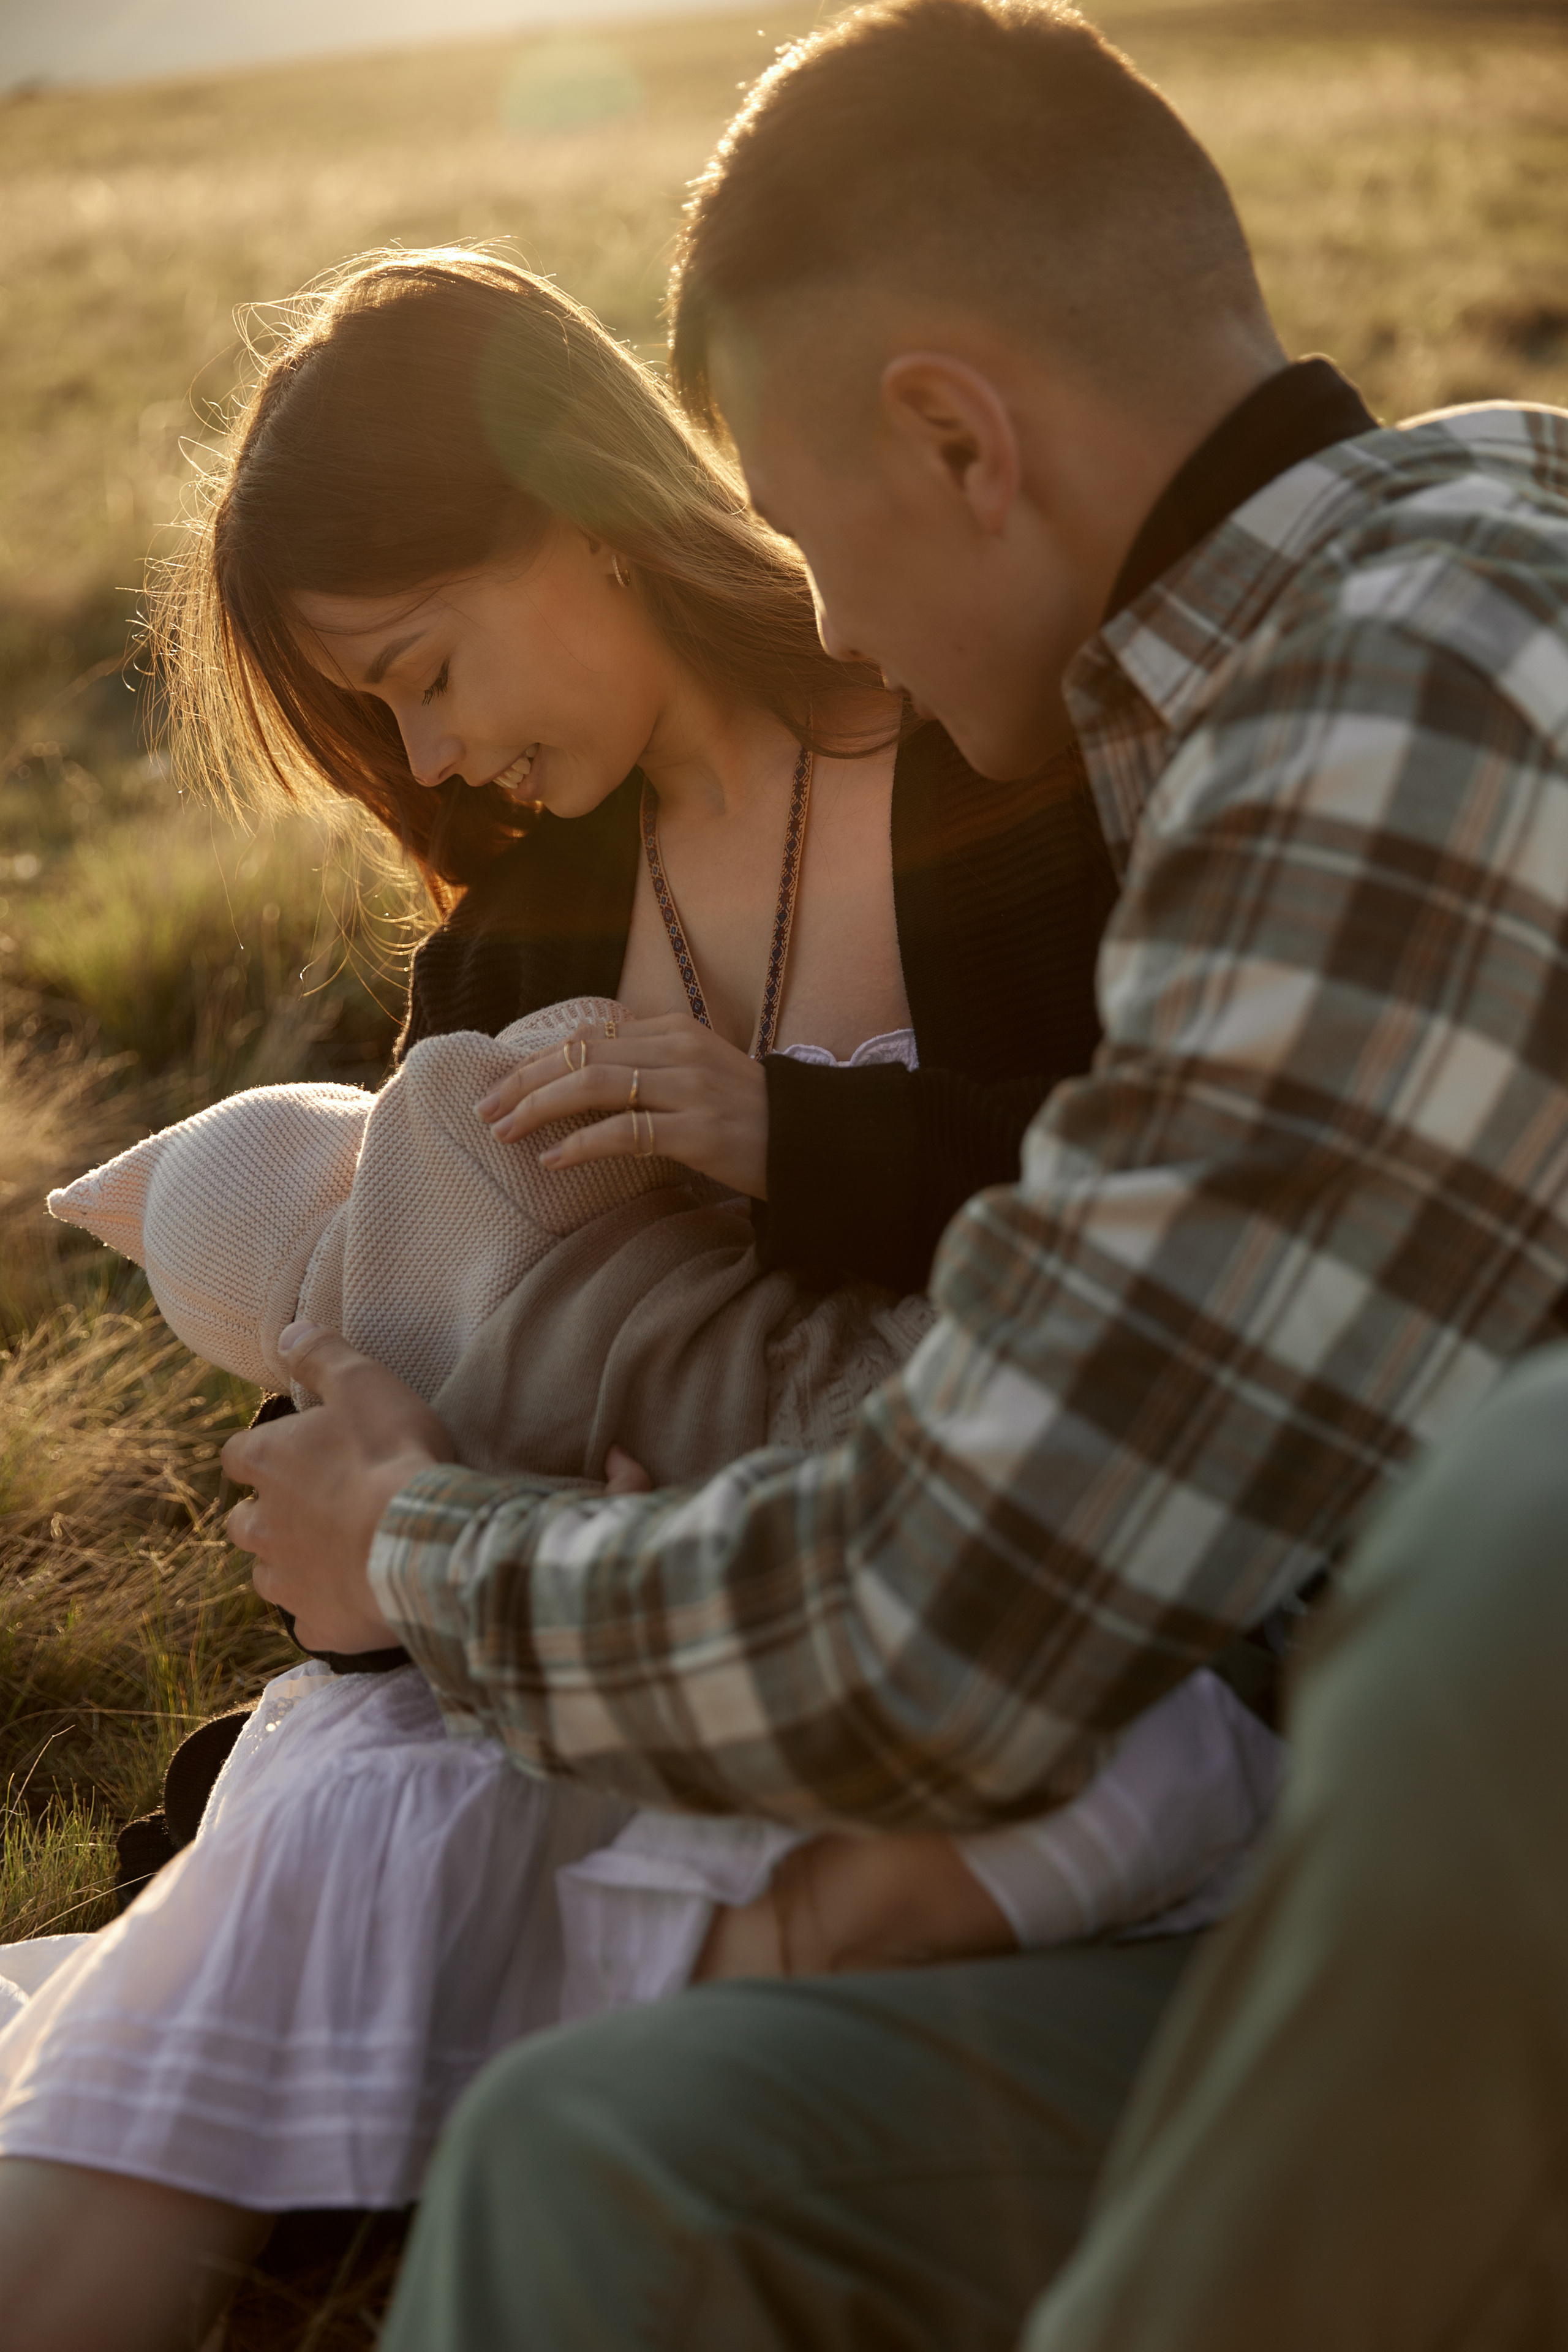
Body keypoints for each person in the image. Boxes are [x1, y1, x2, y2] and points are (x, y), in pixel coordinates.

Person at [213, 2, 1568, 2345]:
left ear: (956, 437)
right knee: (600, 2163)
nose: (823, 614)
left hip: (1433, 1865)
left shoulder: (1396, 696)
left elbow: (967, 1624)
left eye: (819, 535)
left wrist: (433, 1553)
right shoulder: (1334, 621)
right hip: (1324, 1813)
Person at [0, 234, 1219, 2351]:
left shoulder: (1000, 765)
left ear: (580, 517)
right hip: (587, 1651)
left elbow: (1213, 1202)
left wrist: (799, 1138)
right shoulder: (509, 953)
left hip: (987, 1607)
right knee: (294, 1869)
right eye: (380, 713)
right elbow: (449, 1405)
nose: (434, 753)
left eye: (426, 665)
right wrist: (349, 1526)